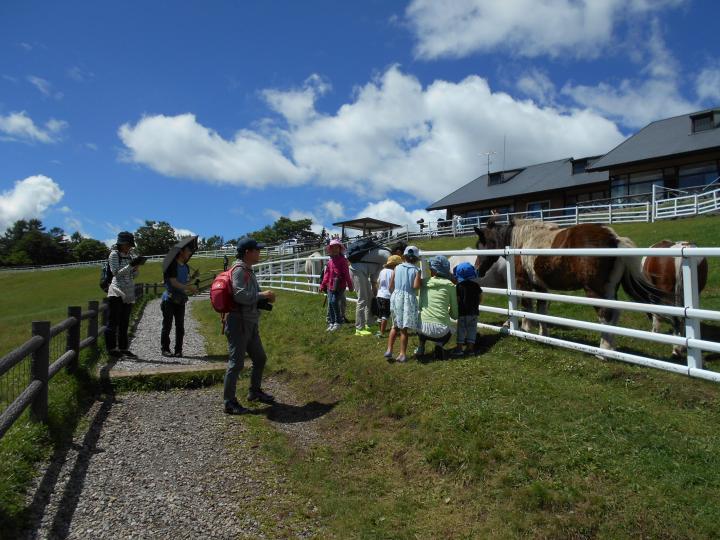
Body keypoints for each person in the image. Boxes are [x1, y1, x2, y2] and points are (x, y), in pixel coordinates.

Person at [223, 237, 277, 415]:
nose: (259, 252)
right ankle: (229, 402)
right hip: (239, 322)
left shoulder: (248, 270)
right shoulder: (239, 270)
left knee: (260, 358)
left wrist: (263, 298)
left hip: (249, 321)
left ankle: (254, 392)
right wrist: (263, 295)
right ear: (248, 252)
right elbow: (240, 296)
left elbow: (249, 295)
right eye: (257, 250)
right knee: (236, 363)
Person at [105, 231, 146, 358]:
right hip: (116, 291)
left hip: (128, 291)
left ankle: (123, 348)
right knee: (113, 321)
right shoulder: (114, 255)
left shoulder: (130, 256)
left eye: (130, 245)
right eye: (128, 244)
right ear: (121, 243)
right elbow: (116, 273)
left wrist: (136, 267)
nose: (129, 247)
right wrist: (131, 265)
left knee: (124, 322)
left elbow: (132, 275)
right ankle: (111, 349)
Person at [416, 256, 458, 360]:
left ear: (433, 271)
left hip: (421, 328)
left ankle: (421, 346)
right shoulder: (450, 285)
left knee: (422, 319)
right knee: (453, 328)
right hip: (441, 331)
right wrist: (452, 314)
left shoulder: (424, 283)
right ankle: (439, 345)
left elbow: (420, 305)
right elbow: (455, 313)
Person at [160, 245, 199, 357]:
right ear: (181, 252)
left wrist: (192, 278)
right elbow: (174, 283)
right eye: (188, 250)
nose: (190, 252)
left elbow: (183, 283)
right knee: (167, 325)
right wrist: (190, 288)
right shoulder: (172, 265)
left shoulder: (186, 267)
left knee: (180, 326)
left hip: (180, 299)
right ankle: (165, 349)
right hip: (170, 299)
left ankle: (178, 350)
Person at [385, 246, 421, 362]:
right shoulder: (416, 270)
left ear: (403, 256)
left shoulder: (397, 268)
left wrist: (394, 293)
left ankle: (389, 350)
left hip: (396, 297)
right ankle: (402, 354)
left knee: (394, 326)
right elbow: (415, 287)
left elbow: (391, 286)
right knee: (404, 329)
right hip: (407, 298)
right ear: (416, 259)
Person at [349, 243, 391, 336]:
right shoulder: (388, 257)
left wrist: (374, 289)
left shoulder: (383, 253)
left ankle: (369, 323)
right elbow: (375, 277)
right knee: (362, 298)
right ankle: (359, 328)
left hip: (360, 270)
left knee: (369, 296)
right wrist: (374, 287)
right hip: (357, 270)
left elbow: (374, 274)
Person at [319, 238, 354, 332]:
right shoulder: (330, 261)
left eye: (336, 248)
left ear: (339, 249)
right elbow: (327, 274)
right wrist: (322, 285)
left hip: (340, 286)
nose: (334, 250)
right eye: (332, 248)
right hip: (330, 285)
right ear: (330, 249)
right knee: (330, 303)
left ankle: (338, 322)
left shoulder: (343, 261)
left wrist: (350, 285)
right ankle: (332, 322)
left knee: (334, 302)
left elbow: (346, 274)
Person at [451, 262, 482, 357]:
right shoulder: (476, 286)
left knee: (461, 330)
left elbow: (457, 299)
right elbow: (480, 297)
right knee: (472, 329)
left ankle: (459, 349)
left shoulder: (458, 287)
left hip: (463, 312)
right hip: (474, 312)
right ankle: (470, 349)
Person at [376, 255, 401, 338]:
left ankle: (380, 329)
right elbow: (394, 284)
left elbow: (378, 282)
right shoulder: (393, 272)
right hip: (388, 296)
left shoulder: (382, 271)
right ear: (395, 265)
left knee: (380, 313)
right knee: (385, 314)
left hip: (380, 295)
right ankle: (382, 332)